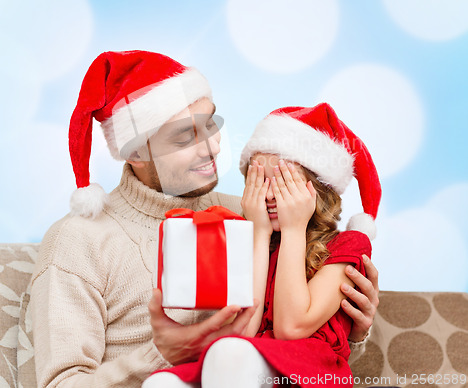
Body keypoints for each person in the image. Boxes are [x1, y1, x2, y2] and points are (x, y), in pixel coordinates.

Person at [30, 51, 379, 388]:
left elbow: (294, 347)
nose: (211, 148)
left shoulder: (257, 214)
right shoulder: (79, 240)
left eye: (210, 123)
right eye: (185, 136)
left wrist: (351, 325)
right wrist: (160, 355)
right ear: (135, 152)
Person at [144, 103, 381, 387]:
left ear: (317, 190)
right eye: (258, 181)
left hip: (306, 370)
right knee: (161, 383)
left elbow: (290, 328)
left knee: (227, 351)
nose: (268, 195)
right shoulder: (250, 241)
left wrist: (294, 228)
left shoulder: (349, 244)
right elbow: (245, 330)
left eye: (282, 182)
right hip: (247, 361)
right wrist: (257, 233)